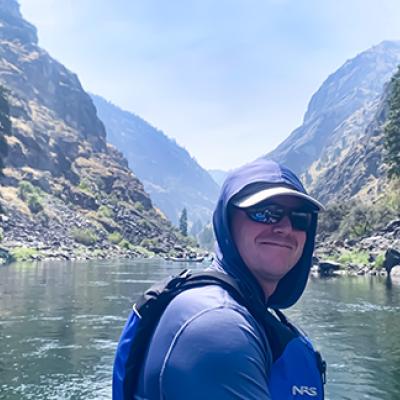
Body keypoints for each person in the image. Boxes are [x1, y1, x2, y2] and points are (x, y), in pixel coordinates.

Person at [133, 158, 325, 399]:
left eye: (300, 217)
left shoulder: (241, 313)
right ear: (226, 221)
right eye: (266, 213)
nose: (286, 228)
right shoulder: (218, 329)